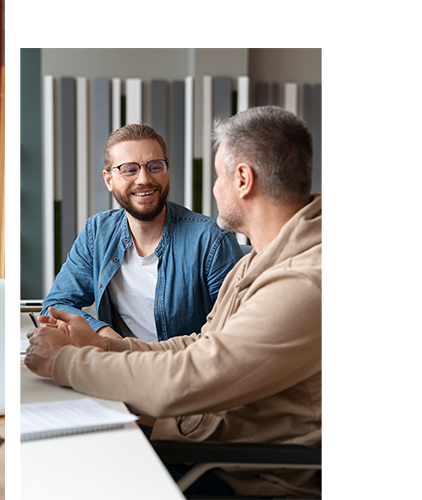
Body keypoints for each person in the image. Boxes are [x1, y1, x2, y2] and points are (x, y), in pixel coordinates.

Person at [26, 106, 321, 497]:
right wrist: (105, 343)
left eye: (218, 176)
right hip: (205, 437)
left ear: (243, 180)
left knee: (69, 478)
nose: (215, 189)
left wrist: (63, 361)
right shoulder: (259, 259)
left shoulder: (302, 282)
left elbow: (188, 378)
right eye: (128, 169)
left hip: (244, 471)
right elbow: (203, 343)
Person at [41, 123, 243, 342]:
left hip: (183, 369)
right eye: (129, 169)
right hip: (117, 367)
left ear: (166, 171)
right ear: (109, 180)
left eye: (155, 167)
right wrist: (102, 332)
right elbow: (55, 306)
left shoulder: (211, 240)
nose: (144, 179)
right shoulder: (97, 233)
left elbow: (235, 334)